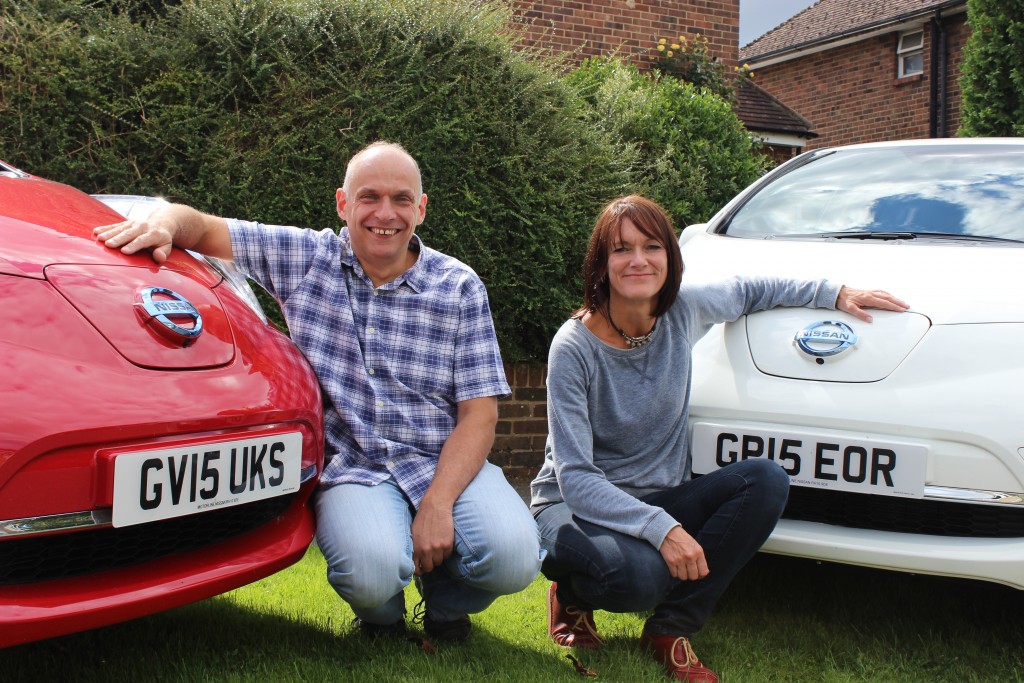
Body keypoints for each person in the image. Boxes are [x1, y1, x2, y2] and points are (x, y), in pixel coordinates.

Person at [94, 141, 542, 644]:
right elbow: (199, 224)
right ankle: (382, 620)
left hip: (443, 457)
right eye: (368, 197)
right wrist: (165, 225)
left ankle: (445, 607)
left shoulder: (459, 286)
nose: (385, 214)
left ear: (421, 208)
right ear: (342, 204)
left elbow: (479, 415)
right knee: (370, 573)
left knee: (513, 559)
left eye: (401, 199)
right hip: (354, 466)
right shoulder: (306, 258)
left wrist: (439, 503)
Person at [529, 195, 908, 682]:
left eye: (651, 246)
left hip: (656, 495)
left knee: (765, 478)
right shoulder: (574, 346)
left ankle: (668, 630)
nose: (639, 260)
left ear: (670, 256)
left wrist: (834, 293)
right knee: (639, 580)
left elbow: (752, 289)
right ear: (602, 263)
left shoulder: (682, 310)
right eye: (622, 249)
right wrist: (663, 530)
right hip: (571, 506)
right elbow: (577, 478)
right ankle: (573, 592)